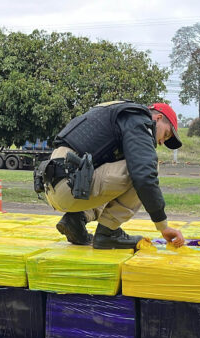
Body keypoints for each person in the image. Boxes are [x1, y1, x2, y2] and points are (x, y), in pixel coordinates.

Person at [42, 101, 185, 249]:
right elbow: (144, 176)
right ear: (158, 118)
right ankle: (108, 232)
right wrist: (162, 226)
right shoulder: (139, 119)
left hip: (55, 183)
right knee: (144, 167)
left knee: (127, 165)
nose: (161, 142)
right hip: (70, 184)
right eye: (166, 134)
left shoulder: (119, 113)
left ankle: (76, 219)